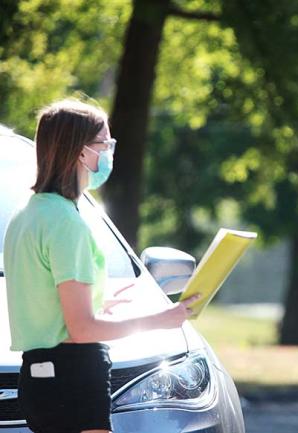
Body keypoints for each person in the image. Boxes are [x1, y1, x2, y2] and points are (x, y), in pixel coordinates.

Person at [2, 99, 200, 433]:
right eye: (104, 144)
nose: (109, 152)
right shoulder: (66, 222)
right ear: (81, 152)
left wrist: (98, 301)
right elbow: (83, 330)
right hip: (74, 378)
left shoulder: (26, 214)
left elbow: (44, 301)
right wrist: (163, 319)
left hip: (37, 380)